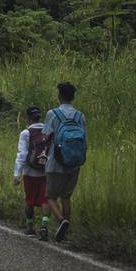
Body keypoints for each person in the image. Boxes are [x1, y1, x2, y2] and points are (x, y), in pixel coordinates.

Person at [42, 82, 87, 242]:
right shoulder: (80, 116)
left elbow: (46, 136)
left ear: (59, 95)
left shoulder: (52, 114)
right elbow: (85, 140)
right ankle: (66, 234)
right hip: (74, 162)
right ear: (73, 97)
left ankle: (62, 220)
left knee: (50, 196)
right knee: (66, 196)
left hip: (55, 161)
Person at [13, 106, 51, 237]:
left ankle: (30, 227)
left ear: (28, 118)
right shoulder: (48, 131)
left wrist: (16, 174)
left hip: (29, 173)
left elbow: (22, 154)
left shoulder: (26, 133)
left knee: (29, 201)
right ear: (39, 116)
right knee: (46, 200)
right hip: (46, 172)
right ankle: (44, 226)